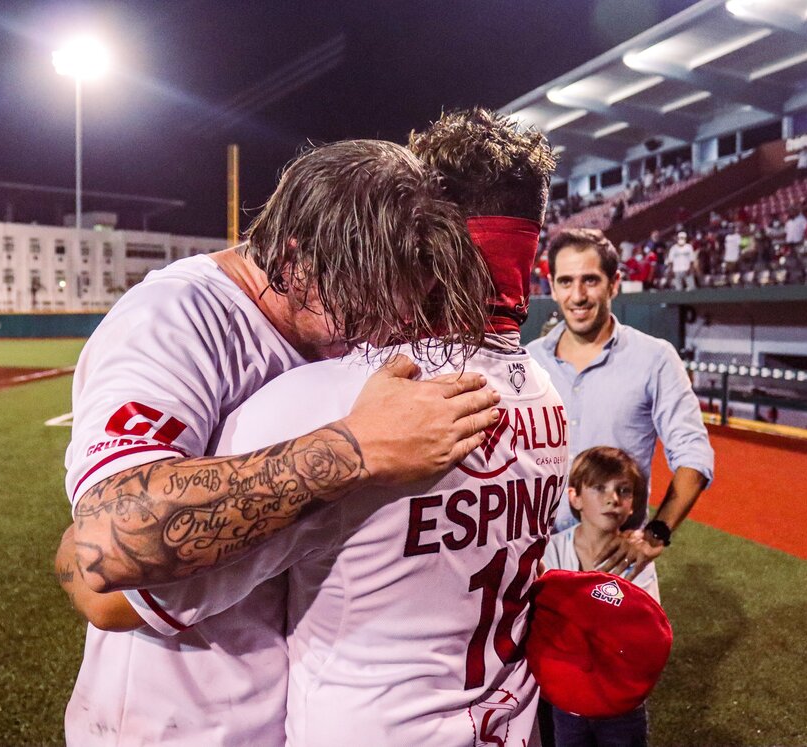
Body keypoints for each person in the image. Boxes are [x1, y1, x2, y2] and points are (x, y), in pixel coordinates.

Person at [61, 108, 565, 747]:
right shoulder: (174, 316)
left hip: (277, 713)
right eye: (376, 292)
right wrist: (353, 449)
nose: (392, 323)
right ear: (296, 258)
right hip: (170, 723)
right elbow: (100, 551)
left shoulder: (327, 329)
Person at [526, 227, 714, 579]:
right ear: (551, 288)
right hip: (538, 557)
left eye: (590, 280)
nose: (577, 295)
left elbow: (694, 455)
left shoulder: (654, 358)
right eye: (565, 282)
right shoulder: (528, 362)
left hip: (616, 558)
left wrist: (656, 533)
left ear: (614, 283)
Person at [542, 446, 659, 747]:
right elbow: (544, 623)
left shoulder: (638, 560)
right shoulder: (551, 549)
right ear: (574, 497)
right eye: (599, 488)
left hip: (620, 701)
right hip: (567, 698)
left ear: (633, 505)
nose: (613, 499)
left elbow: (646, 633)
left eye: (624, 490)